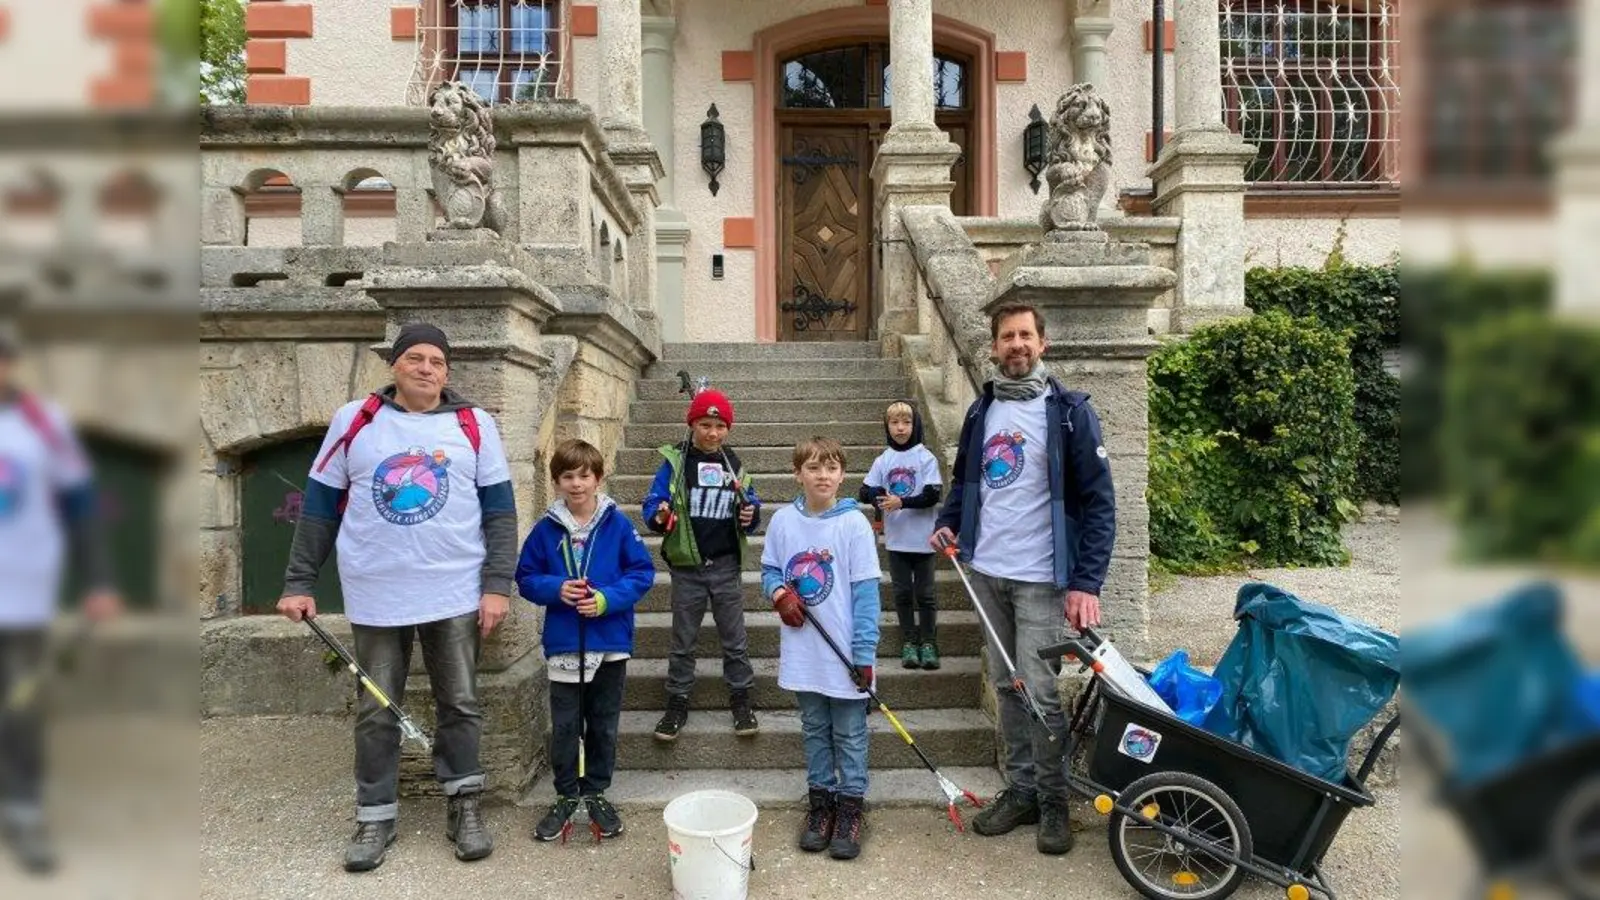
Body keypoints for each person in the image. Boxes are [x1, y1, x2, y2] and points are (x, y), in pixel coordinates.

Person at [277, 323, 517, 872]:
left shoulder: (473, 425)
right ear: (395, 365)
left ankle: (465, 806)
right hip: (377, 591)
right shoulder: (354, 421)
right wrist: (298, 582)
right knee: (376, 709)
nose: (426, 368)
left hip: (453, 589)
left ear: (447, 371)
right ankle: (375, 814)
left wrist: (496, 586)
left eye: (436, 360)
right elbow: (318, 507)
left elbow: (500, 513)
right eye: (415, 357)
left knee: (460, 703)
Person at [930, 303, 1116, 855]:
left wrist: (1087, 582)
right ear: (993, 347)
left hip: (1040, 579)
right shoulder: (981, 411)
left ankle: (1054, 802)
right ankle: (1022, 791)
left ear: (1043, 344)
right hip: (986, 571)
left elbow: (1099, 503)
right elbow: (965, 481)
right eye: (1007, 336)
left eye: (1025, 335)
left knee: (1040, 692)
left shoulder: (1069, 413)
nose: (1016, 344)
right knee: (1008, 688)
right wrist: (946, 522)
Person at [0, 322, 121, 875]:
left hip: (22, 598)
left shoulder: (43, 426)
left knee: (21, 709)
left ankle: (24, 813)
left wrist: (97, 581)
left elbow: (80, 508)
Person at [515, 439, 654, 843]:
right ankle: (565, 794)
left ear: (598, 478)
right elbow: (526, 578)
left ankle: (595, 791)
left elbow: (641, 573)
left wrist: (607, 599)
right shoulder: (545, 530)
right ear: (556, 481)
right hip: (564, 643)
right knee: (566, 726)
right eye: (568, 477)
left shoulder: (618, 525)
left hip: (609, 640)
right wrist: (557, 588)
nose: (577, 484)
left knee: (604, 724)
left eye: (584, 476)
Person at [763, 437, 881, 861]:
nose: (823, 476)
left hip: (846, 652)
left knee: (849, 733)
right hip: (804, 650)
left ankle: (851, 807)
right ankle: (820, 805)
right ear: (798, 474)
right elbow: (771, 569)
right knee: (814, 728)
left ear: (842, 474)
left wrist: (864, 653)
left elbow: (867, 595)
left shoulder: (854, 525)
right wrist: (778, 593)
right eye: (813, 468)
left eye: (831, 468)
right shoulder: (782, 522)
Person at [641, 388, 762, 740]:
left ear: (728, 428)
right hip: (687, 568)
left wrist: (750, 514)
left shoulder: (733, 463)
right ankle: (677, 700)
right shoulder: (675, 462)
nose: (712, 432)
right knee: (683, 640)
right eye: (705, 424)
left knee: (734, 639)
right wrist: (659, 514)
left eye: (720, 425)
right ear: (692, 423)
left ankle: (741, 698)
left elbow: (750, 504)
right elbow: (653, 502)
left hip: (725, 564)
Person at [860, 401, 943, 671]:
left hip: (923, 540)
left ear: (915, 425)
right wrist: (878, 496)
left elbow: (933, 494)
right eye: (894, 423)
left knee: (926, 594)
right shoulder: (883, 460)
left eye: (906, 422)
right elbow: (864, 491)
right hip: (896, 541)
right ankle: (909, 640)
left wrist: (902, 503)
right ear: (887, 426)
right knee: (903, 593)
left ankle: (928, 642)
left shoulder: (925, 457)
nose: (900, 428)